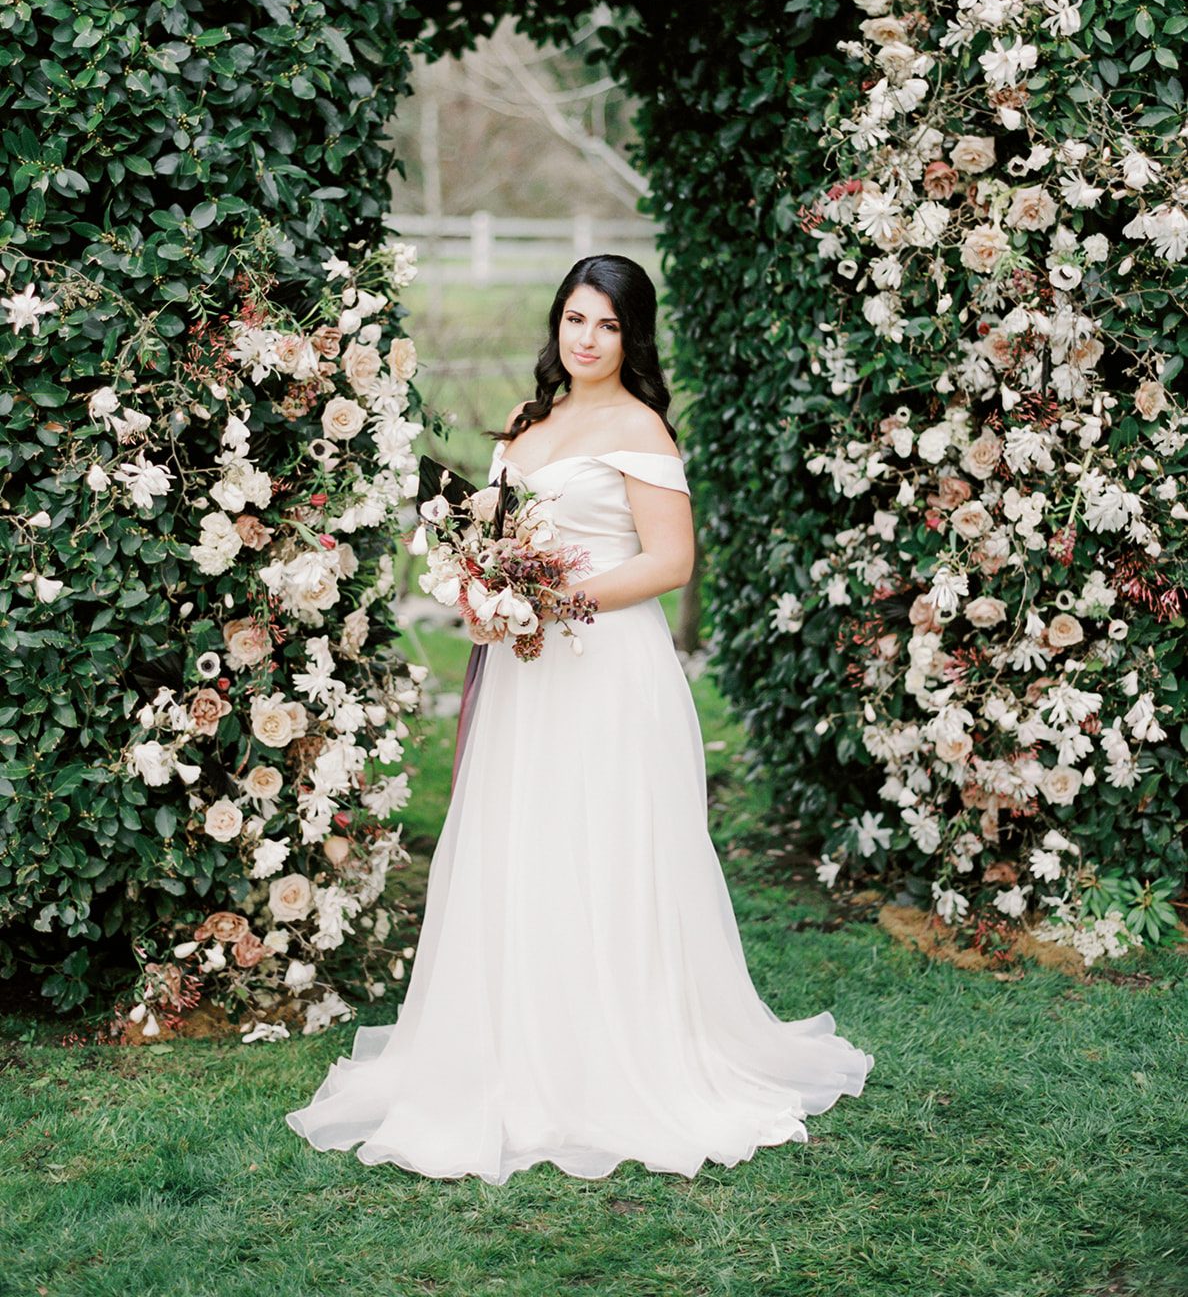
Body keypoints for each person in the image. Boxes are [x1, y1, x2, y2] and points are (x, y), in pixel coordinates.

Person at [285, 254, 873, 1183]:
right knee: (523, 842)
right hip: (527, 671)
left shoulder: (641, 429)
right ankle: (515, 1039)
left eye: (606, 325)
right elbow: (499, 534)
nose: (586, 338)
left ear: (631, 337)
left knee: (604, 845)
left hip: (605, 667)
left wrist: (559, 599)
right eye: (573, 319)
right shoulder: (525, 424)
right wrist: (483, 593)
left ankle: (616, 1050)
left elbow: (671, 561)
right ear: (556, 324)